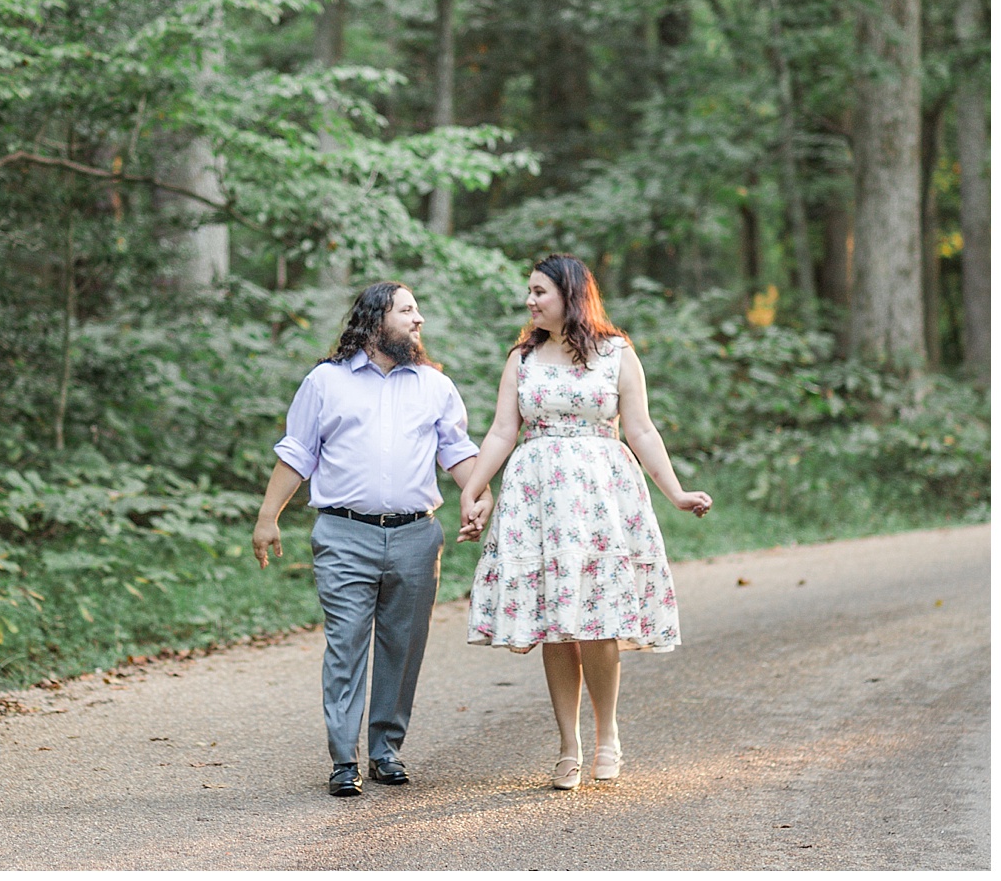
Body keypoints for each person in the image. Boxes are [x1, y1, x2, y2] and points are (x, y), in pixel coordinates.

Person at [458, 254, 711, 790]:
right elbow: (503, 431)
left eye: (539, 291)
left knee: (599, 621)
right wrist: (473, 488)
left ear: (570, 295)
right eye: (529, 291)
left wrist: (676, 492)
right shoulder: (522, 358)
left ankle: (607, 735)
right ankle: (568, 746)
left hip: (601, 497)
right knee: (556, 623)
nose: (530, 301)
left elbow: (641, 430)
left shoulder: (616, 354)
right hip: (538, 497)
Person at [253, 281, 482, 797]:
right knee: (346, 644)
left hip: (417, 536)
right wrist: (268, 516)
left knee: (403, 646)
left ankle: (386, 751)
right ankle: (343, 759)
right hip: (343, 533)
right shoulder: (325, 382)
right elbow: (297, 453)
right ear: (377, 319)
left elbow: (458, 452)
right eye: (407, 310)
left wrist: (479, 496)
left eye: (418, 310)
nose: (419, 320)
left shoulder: (434, 386)